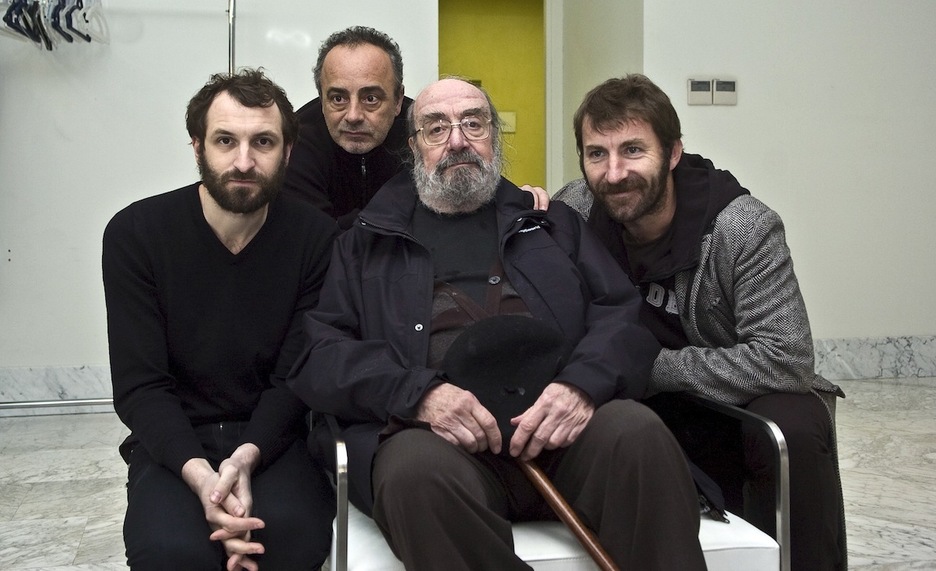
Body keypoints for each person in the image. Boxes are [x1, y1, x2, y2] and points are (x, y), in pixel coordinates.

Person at [287, 77, 707, 570]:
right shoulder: (363, 243)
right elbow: (322, 354)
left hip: (565, 437)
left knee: (637, 431)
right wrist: (420, 395)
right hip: (442, 446)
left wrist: (580, 388)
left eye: (474, 123)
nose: (458, 141)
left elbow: (622, 316)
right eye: (436, 128)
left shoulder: (553, 223)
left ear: (494, 137)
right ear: (414, 146)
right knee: (411, 471)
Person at [557, 74, 846, 571]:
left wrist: (647, 367)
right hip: (623, 403)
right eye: (596, 154)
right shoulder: (573, 211)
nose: (614, 172)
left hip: (726, 399)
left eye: (633, 150)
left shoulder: (741, 226)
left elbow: (786, 358)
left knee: (795, 425)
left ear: (673, 153)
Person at [102, 69, 338, 571]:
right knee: (171, 552)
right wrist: (205, 479)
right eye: (225, 140)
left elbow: (296, 377)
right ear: (197, 147)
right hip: (174, 441)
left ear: (288, 152)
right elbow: (141, 386)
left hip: (274, 437)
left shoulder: (317, 238)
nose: (244, 161)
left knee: (290, 541)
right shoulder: (135, 234)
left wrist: (245, 459)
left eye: (263, 142)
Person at [281, 26, 412, 229]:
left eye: (370, 98)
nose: (353, 116)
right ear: (322, 100)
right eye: (338, 98)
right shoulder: (296, 142)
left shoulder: (426, 136)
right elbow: (311, 237)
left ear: (398, 100)